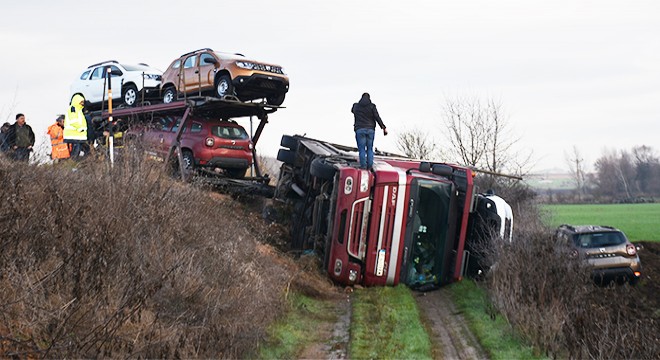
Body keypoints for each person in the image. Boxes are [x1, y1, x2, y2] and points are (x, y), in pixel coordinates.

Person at [351, 92, 387, 169]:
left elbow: (352, 111)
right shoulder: (372, 106)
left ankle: (363, 166)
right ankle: (370, 166)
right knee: (370, 149)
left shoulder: (356, 106)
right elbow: (377, 117)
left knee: (362, 149)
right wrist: (383, 127)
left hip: (360, 129)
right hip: (370, 130)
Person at [64, 94, 88, 159]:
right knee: (76, 153)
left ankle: (79, 164)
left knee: (85, 151)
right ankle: (74, 165)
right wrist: (80, 128)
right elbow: (73, 120)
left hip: (78, 136)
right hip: (74, 136)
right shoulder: (73, 109)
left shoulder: (79, 110)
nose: (82, 103)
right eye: (81, 102)